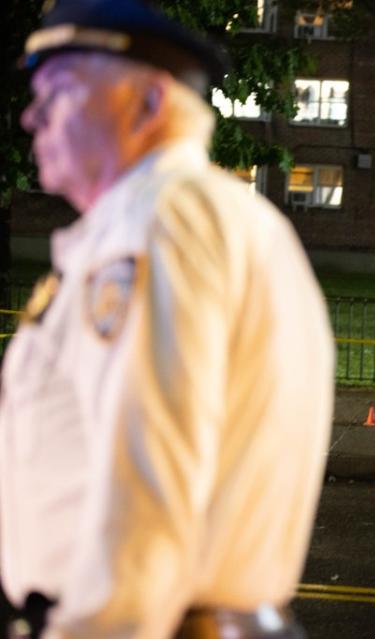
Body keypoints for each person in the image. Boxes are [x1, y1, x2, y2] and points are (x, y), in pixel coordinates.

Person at [6, 1, 335, 636]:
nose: (31, 116)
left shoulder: (154, 225)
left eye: (59, 94)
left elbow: (148, 476)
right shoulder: (220, 217)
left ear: (148, 105)